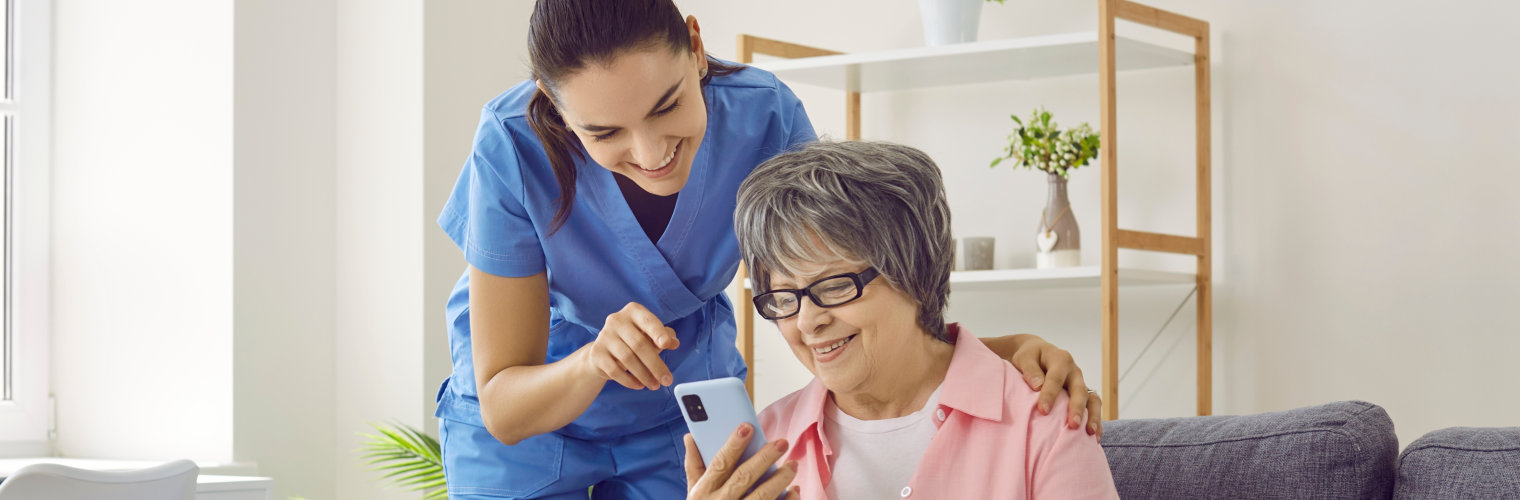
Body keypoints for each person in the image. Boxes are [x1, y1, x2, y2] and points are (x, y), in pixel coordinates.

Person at [438, 2, 1103, 498]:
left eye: (668, 105)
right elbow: (502, 405)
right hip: (535, 412)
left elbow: (856, 278)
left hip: (682, 403)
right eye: (606, 132)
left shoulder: (764, 116)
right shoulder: (510, 146)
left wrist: (994, 355)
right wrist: (593, 362)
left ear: (696, 47)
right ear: (555, 111)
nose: (650, 153)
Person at [684, 141, 1118, 499]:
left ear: (913, 273)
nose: (808, 322)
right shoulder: (765, 442)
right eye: (784, 297)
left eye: (835, 286)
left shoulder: (1042, 423)